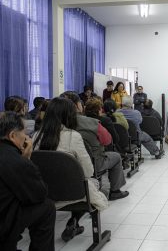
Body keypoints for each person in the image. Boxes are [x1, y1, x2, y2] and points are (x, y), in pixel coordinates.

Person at [33, 97, 108, 242]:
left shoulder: (36, 136)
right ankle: (75, 221)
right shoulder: (73, 137)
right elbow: (88, 171)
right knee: (94, 184)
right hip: (72, 192)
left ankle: (74, 223)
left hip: (45, 192)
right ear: (69, 116)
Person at [0, 112, 55, 251]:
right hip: (3, 222)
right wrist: (26, 160)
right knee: (46, 207)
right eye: (24, 132)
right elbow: (39, 194)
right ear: (12, 135)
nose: (26, 137)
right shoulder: (14, 160)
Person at [60, 91, 129, 201]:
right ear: (77, 106)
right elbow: (108, 141)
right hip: (92, 163)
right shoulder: (93, 123)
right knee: (116, 156)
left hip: (64, 164)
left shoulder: (53, 125)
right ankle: (115, 191)